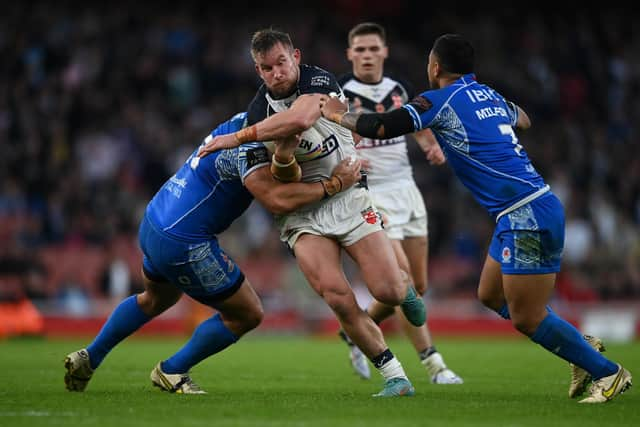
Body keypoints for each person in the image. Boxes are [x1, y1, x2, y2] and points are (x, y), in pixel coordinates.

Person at [320, 33, 632, 403]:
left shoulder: (439, 99)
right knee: (489, 294)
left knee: (527, 318)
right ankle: (578, 345)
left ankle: (609, 373)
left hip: (525, 213)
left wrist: (337, 114)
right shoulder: (489, 94)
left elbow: (382, 126)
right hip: (521, 210)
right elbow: (525, 120)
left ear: (434, 67)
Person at [63, 111, 362, 394]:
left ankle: (90, 356)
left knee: (154, 298)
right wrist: (334, 184)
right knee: (247, 313)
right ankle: (173, 370)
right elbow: (276, 199)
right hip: (184, 241)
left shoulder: (242, 123)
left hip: (156, 220)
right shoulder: (250, 148)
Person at [198, 28, 426, 397]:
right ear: (258, 71)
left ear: (296, 57)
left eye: (281, 63)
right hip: (304, 214)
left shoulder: (319, 80)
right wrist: (284, 157)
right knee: (335, 294)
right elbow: (279, 186)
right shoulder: (258, 114)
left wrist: (239, 137)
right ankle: (396, 376)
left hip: (349, 195)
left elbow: (302, 119)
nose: (277, 73)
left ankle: (405, 290)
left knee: (387, 289)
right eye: (266, 68)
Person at [335, 22, 462, 384]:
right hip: (368, 193)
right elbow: (324, 132)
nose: (367, 55)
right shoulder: (339, 91)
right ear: (350, 54)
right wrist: (349, 155)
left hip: (406, 189)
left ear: (384, 52)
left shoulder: (398, 88)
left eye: (373, 49)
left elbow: (416, 123)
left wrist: (429, 145)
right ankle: (434, 364)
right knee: (401, 280)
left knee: (417, 287)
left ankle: (358, 331)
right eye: (360, 50)